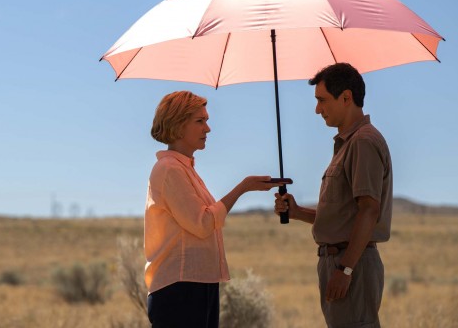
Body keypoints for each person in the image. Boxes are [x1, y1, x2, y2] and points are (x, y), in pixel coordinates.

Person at [145, 90, 281, 328]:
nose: (207, 129)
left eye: (206, 121)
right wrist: (243, 187)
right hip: (180, 289)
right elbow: (203, 223)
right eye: (200, 121)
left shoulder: (184, 169)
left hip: (196, 285)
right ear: (178, 125)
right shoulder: (169, 169)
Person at [275, 63, 393, 328]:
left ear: (346, 97)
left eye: (322, 100)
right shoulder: (348, 143)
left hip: (350, 264)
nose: (317, 109)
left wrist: (345, 269)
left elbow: (369, 210)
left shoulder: (362, 142)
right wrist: (297, 212)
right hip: (341, 263)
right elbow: (344, 215)